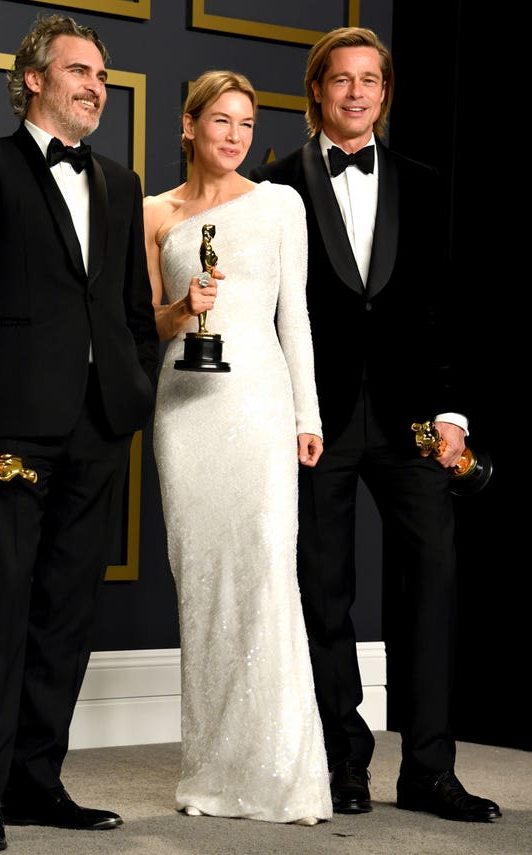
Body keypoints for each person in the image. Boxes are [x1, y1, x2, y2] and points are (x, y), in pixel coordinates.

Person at [249, 26, 501, 823]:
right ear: (316, 91)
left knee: (433, 589)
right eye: (341, 80)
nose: (356, 93)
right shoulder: (276, 185)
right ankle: (339, 760)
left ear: (384, 94)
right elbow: (268, 312)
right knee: (323, 594)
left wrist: (454, 411)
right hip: (315, 417)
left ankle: (429, 770)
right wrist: (286, 410)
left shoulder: (424, 181)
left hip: (415, 418)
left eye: (371, 81)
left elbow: (446, 305)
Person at [0, 14, 158, 852]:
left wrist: (132, 390)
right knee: (4, 603)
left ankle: (36, 779)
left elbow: (130, 306)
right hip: (9, 428)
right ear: (34, 79)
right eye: (80, 70)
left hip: (100, 426)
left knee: (67, 608)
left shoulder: (123, 184)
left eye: (102, 73)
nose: (97, 85)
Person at [143, 69, 332, 826]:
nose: (234, 135)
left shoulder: (280, 203)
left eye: (246, 124)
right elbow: (143, 323)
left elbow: (299, 317)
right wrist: (183, 308)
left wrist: (305, 416)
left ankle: (285, 776)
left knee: (264, 570)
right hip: (185, 413)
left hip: (259, 402)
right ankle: (212, 775)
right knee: (201, 582)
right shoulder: (154, 213)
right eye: (220, 120)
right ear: (189, 126)